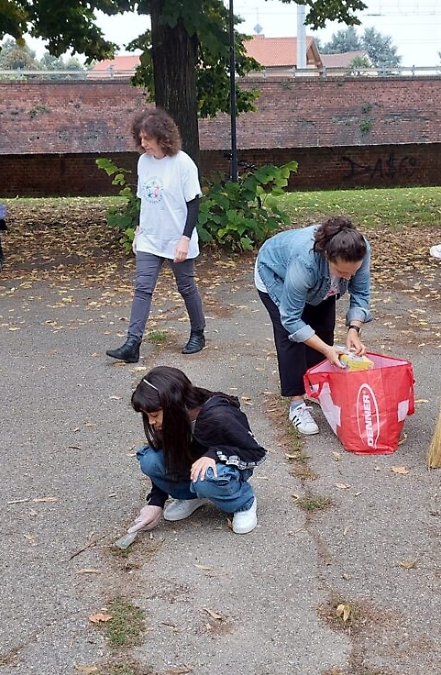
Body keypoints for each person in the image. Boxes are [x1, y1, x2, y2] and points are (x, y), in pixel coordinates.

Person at [105, 108, 206, 364]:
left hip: (176, 238)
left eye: (147, 139)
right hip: (151, 237)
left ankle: (198, 332)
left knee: (186, 287)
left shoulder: (183, 163)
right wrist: (139, 230)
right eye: (140, 138)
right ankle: (132, 343)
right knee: (142, 288)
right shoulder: (143, 163)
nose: (143, 144)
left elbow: (193, 203)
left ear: (163, 138)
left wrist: (185, 238)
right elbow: (145, 202)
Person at [255, 217, 371, 436]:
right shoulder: (305, 262)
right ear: (327, 257)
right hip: (275, 274)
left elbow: (361, 293)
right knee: (291, 338)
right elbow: (291, 319)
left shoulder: (359, 250)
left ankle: (315, 388)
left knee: (324, 328)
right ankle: (297, 404)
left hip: (320, 285)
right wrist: (327, 350)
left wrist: (354, 329)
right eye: (343, 273)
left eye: (352, 272)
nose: (349, 277)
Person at [127, 366, 266, 536]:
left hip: (227, 465)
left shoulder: (219, 415)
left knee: (206, 476)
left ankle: (244, 502)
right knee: (150, 460)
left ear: (172, 404)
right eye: (147, 415)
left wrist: (213, 455)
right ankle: (193, 496)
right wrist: (156, 502)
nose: (151, 422)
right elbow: (167, 454)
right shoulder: (170, 418)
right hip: (193, 465)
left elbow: (253, 451)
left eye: (154, 415)